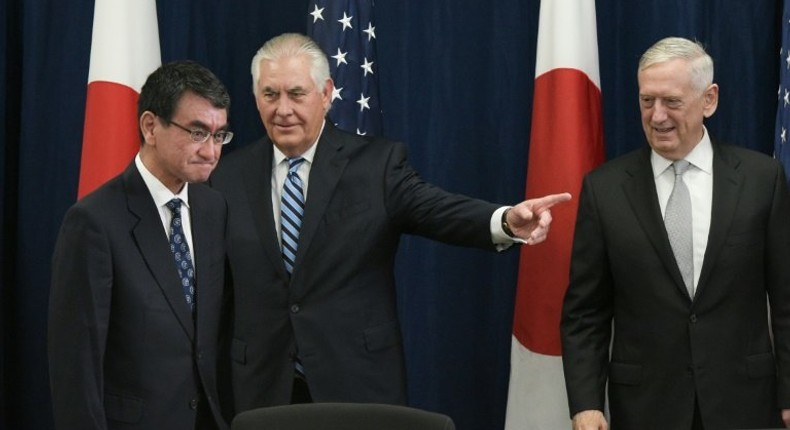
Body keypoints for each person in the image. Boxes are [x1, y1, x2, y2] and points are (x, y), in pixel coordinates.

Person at [209, 32, 572, 413]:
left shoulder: (376, 166)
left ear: (326, 93)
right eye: (270, 94)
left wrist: (506, 221)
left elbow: (438, 210)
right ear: (255, 98)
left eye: (296, 93)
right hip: (260, 389)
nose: (282, 109)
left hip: (356, 383)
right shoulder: (226, 176)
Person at [560, 36, 790, 430]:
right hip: (646, 406)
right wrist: (586, 404)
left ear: (709, 99)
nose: (657, 116)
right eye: (647, 101)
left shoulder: (760, 179)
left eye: (672, 102)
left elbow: (787, 298)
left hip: (744, 404)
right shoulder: (605, 189)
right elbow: (585, 312)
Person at [48, 60, 233, 430]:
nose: (211, 151)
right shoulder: (94, 222)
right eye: (197, 132)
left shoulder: (214, 208)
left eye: (219, 135)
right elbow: (76, 368)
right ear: (150, 126)